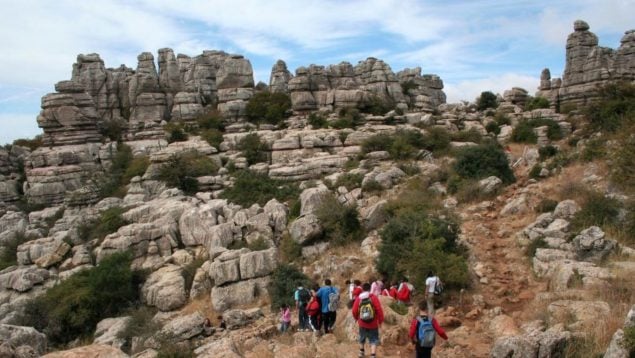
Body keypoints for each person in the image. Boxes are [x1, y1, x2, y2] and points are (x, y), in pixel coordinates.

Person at [352, 282, 384, 358]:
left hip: (362, 322)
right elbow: (379, 310)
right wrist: (380, 321)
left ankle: (361, 352)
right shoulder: (374, 297)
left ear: (362, 289)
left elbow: (354, 310)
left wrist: (356, 318)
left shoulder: (359, 298)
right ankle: (373, 355)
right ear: (370, 289)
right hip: (373, 323)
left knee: (362, 337)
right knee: (373, 338)